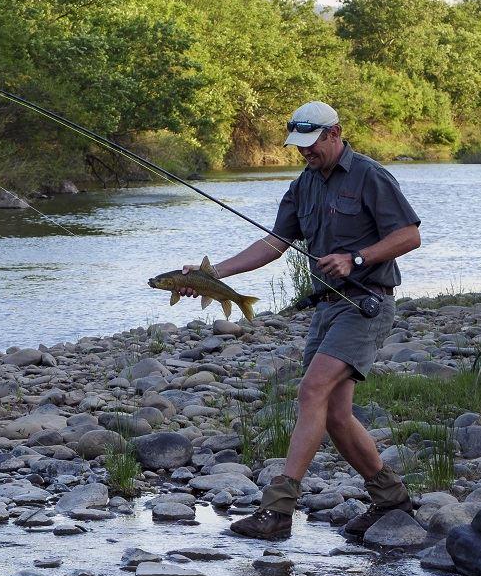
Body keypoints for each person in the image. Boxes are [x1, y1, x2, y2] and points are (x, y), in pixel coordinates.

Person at [181, 100, 422, 542]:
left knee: (311, 390)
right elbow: (274, 244)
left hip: (366, 304)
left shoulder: (370, 175)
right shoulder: (303, 185)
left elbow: (409, 235)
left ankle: (278, 509)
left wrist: (356, 258)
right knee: (335, 415)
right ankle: (393, 501)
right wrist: (212, 275)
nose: (305, 152)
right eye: (299, 145)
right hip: (327, 308)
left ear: (336, 133)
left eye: (312, 143)